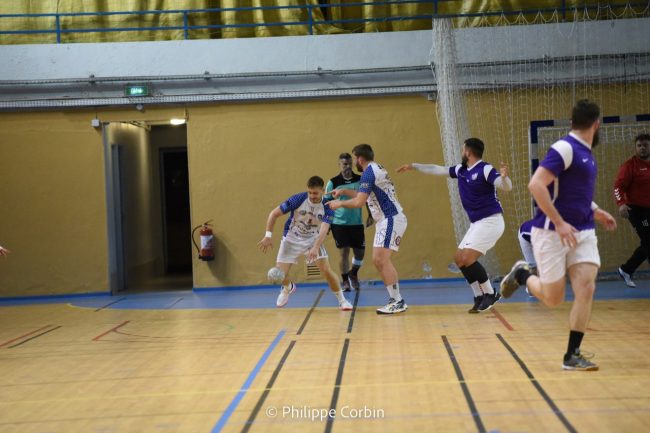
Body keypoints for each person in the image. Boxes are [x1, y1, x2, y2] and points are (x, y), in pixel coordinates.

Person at [500, 99, 617, 371]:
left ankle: (572, 355)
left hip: (583, 231)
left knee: (587, 286)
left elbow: (573, 193)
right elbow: (536, 185)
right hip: (551, 232)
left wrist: (596, 211)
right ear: (597, 124)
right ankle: (522, 274)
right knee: (553, 299)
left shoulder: (587, 153)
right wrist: (559, 222)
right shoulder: (565, 148)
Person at [397, 138, 512, 313]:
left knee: (468, 258)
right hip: (477, 223)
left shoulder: (485, 168)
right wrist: (414, 166)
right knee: (459, 259)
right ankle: (478, 296)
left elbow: (506, 186)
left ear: (468, 152)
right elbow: (437, 169)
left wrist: (504, 177)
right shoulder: (461, 170)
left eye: (462, 149)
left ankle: (490, 293)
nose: (461, 151)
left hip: (491, 221)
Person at [327, 144, 408, 314]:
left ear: (360, 159)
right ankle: (395, 299)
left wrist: (339, 203)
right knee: (378, 260)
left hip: (390, 218)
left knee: (381, 260)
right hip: (386, 220)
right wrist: (343, 191)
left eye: (354, 158)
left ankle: (397, 301)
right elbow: (362, 195)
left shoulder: (369, 173)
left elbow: (359, 202)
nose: (353, 162)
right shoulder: (375, 168)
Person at [258, 176, 353, 311]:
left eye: (315, 193)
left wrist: (315, 247)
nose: (312, 196)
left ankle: (342, 301)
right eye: (310, 192)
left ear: (322, 191)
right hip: (291, 239)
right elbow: (274, 214)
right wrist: (268, 235)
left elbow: (324, 228)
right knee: (278, 275)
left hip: (313, 239)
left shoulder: (328, 205)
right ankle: (288, 287)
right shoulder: (298, 199)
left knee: (326, 270)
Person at [325, 153, 372, 292]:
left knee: (360, 253)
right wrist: (326, 224)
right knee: (344, 253)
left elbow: (367, 198)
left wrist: (370, 214)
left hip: (356, 223)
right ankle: (345, 281)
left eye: (350, 164)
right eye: (344, 164)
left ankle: (353, 273)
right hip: (339, 223)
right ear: (339, 165)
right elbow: (326, 203)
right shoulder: (333, 182)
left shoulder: (360, 179)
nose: (347, 166)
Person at [613, 133, 650, 288]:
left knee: (647, 243)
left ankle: (626, 270)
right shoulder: (630, 166)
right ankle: (626, 269)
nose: (642, 148)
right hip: (635, 209)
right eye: (639, 146)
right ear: (635, 148)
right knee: (648, 242)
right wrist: (621, 203)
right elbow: (618, 187)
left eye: (645, 145)